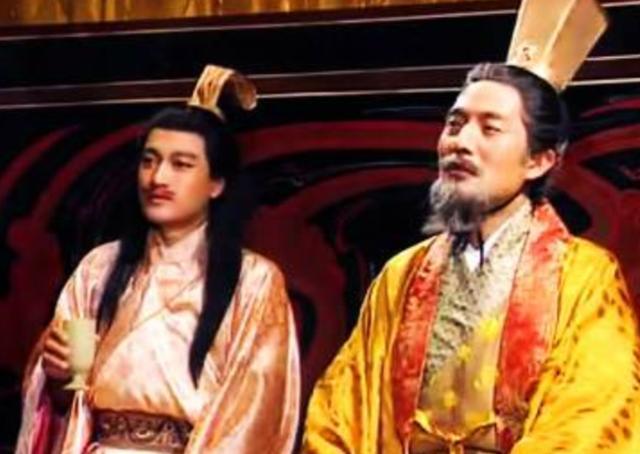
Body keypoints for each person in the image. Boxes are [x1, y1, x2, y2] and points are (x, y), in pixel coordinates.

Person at [302, 5, 640, 451]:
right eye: (455, 124)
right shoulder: (401, 276)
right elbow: (340, 416)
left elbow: (591, 421)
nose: (460, 142)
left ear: (539, 161)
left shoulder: (585, 278)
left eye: (490, 129)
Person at [17, 66, 301, 453]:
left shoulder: (254, 281)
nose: (158, 178)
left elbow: (253, 414)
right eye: (149, 161)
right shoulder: (98, 270)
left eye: (181, 164)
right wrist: (59, 379)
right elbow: (66, 402)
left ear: (216, 183)